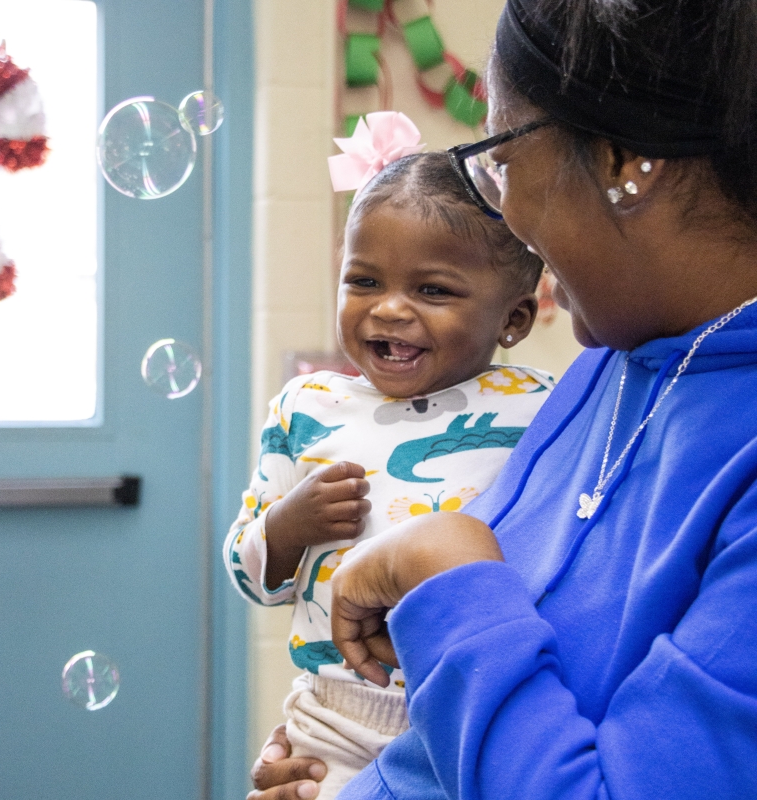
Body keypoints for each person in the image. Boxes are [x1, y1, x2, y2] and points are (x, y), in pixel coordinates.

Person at [248, 0, 757, 798]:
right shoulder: (610, 369)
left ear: (624, 160)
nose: (505, 211)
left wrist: (441, 569)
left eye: (502, 160)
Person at [225, 120, 551, 800]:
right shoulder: (305, 407)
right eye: (364, 280)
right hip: (335, 719)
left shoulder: (542, 406)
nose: (390, 309)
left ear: (513, 319)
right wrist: (288, 525)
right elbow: (253, 579)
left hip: (476, 701)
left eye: (433, 291)